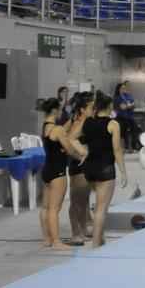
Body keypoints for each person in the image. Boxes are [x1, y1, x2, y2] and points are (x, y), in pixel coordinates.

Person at [38, 97, 87, 251]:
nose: (61, 113)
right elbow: (70, 149)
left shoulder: (46, 126)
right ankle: (57, 241)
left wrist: (71, 122)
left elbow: (61, 133)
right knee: (54, 209)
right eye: (60, 110)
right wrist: (82, 157)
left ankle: (47, 239)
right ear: (55, 110)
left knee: (45, 208)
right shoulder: (58, 130)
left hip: (46, 170)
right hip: (58, 172)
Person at [81, 93, 127, 249]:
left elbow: (75, 138)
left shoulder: (87, 122)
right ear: (109, 107)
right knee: (101, 208)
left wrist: (82, 152)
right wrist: (123, 172)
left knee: (99, 205)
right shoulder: (113, 124)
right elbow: (117, 150)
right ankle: (95, 243)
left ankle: (100, 239)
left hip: (89, 169)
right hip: (105, 169)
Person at [65, 92, 94, 245]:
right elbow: (68, 142)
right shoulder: (79, 123)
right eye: (91, 107)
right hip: (78, 167)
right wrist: (81, 155)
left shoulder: (86, 122)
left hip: (85, 166)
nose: (94, 109)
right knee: (76, 201)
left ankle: (82, 231)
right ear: (82, 109)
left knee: (84, 200)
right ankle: (76, 233)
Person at [112, 81, 139, 152]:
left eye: (124, 88)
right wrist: (130, 105)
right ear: (118, 89)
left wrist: (130, 105)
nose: (124, 89)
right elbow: (123, 107)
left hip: (129, 117)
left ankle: (133, 147)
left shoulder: (127, 96)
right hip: (121, 117)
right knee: (123, 133)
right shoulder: (117, 98)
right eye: (122, 88)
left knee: (134, 130)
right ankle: (125, 148)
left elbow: (133, 105)